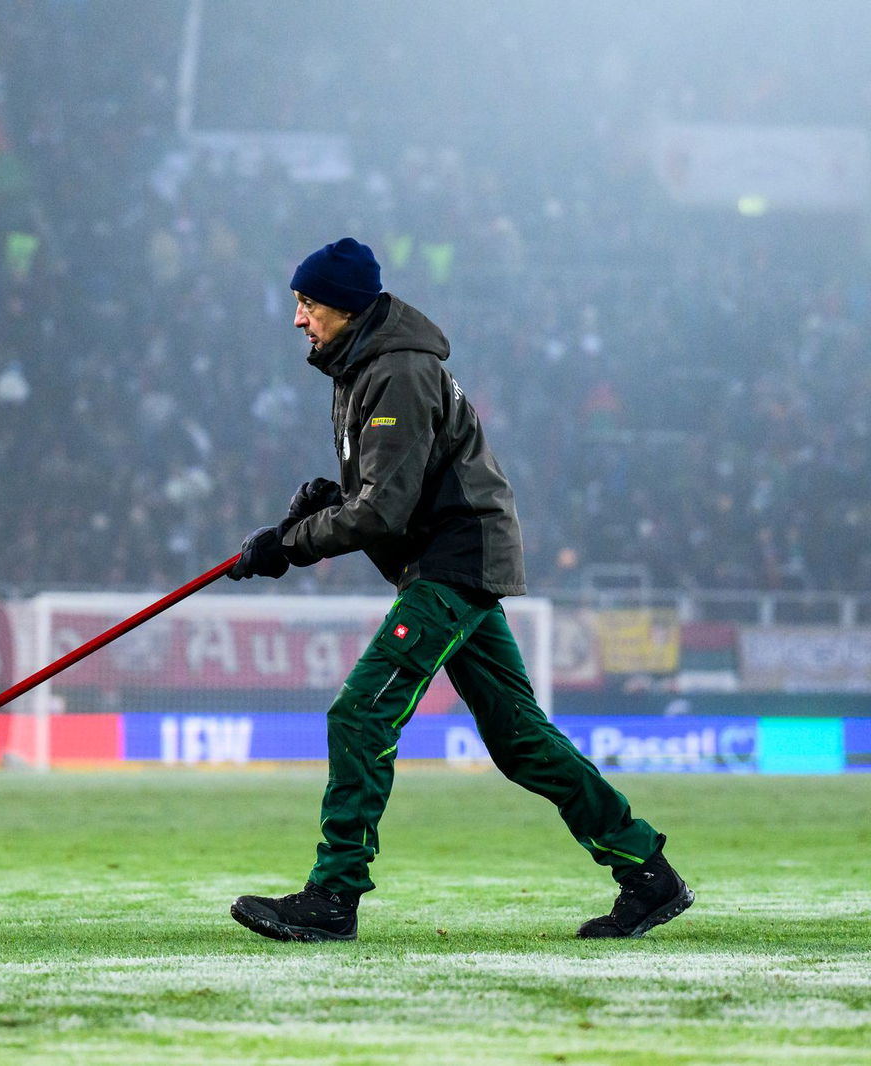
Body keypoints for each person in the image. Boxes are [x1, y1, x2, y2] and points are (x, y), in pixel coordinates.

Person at [226, 238, 694, 942]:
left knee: (360, 715)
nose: (298, 318)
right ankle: (649, 875)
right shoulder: (364, 368)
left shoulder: (397, 372)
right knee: (521, 740)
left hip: (453, 564)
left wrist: (289, 544)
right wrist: (328, 499)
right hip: (452, 560)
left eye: (308, 304)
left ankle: (333, 896)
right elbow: (389, 486)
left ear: (348, 308)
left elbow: (384, 509)